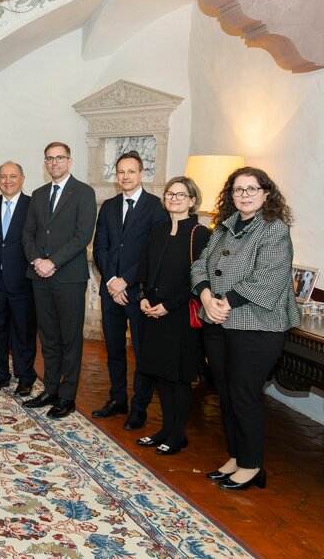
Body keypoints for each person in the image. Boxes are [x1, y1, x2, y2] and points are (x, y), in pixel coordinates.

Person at [192, 166, 301, 491]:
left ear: (266, 193)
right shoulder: (224, 227)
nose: (244, 195)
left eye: (252, 189)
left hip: (257, 325)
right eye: (238, 189)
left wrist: (226, 302)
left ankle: (252, 466)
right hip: (219, 322)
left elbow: (269, 277)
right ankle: (237, 456)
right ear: (231, 194)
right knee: (226, 394)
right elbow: (200, 264)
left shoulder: (274, 230)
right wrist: (206, 295)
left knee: (244, 394)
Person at [91, 151, 168, 430]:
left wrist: (127, 280)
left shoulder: (156, 207)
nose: (125, 176)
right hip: (110, 291)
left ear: (141, 173)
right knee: (113, 350)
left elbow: (154, 251)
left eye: (131, 171)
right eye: (121, 172)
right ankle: (118, 400)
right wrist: (111, 280)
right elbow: (99, 245)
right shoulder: (109, 206)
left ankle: (139, 408)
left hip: (138, 293)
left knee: (141, 351)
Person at [134, 176, 210, 455]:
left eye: (181, 195)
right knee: (161, 374)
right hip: (153, 312)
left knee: (178, 377)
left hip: (179, 315)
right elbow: (144, 269)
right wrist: (142, 298)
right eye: (169, 194)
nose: (174, 199)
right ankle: (165, 429)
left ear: (192, 200)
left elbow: (199, 281)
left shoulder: (200, 234)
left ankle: (178, 435)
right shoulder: (158, 230)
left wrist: (170, 305)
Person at [22, 142, 97, 419]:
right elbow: (27, 234)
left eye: (59, 158)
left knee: (70, 338)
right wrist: (37, 261)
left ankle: (67, 396)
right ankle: (51, 389)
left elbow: (82, 236)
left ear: (70, 160)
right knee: (49, 336)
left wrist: (52, 262)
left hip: (68, 277)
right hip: (39, 276)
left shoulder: (84, 193)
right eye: (49, 159)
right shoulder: (39, 194)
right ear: (45, 163)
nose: (54, 163)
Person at [0, 162, 37, 396]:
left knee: (23, 331)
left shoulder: (32, 205)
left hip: (22, 278)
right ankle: (0, 374)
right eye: (3, 177)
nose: (8, 181)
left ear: (22, 178)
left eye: (13, 176)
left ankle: (25, 376)